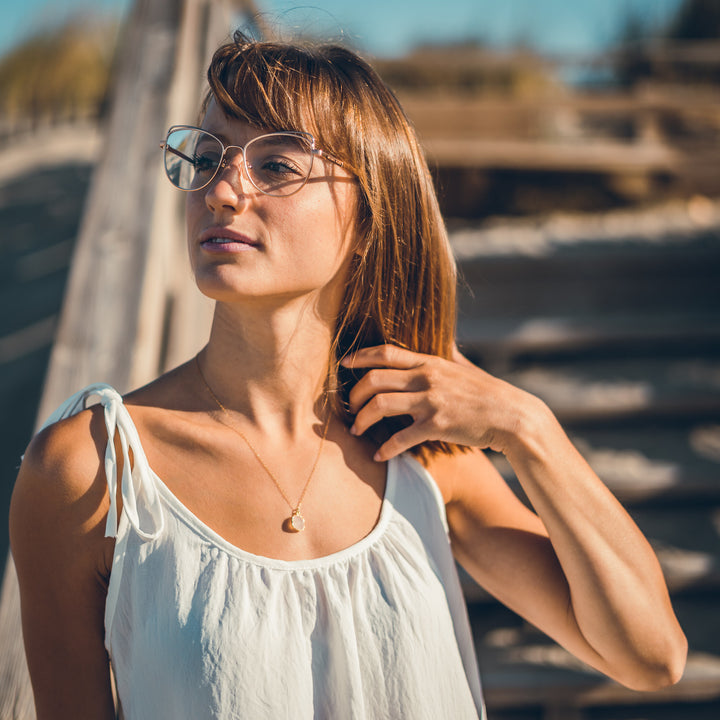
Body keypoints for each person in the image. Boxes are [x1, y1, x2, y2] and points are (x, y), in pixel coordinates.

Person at [10, 31, 687, 720]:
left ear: (368, 217)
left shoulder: (418, 455)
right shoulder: (89, 472)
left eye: (275, 165)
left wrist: (529, 428)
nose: (222, 190)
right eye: (209, 158)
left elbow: (650, 655)